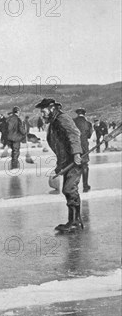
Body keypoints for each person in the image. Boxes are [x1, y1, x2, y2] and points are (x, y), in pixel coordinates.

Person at [37, 98, 84, 232]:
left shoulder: (62, 118)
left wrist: (76, 154)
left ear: (52, 108)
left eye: (43, 111)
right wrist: (60, 165)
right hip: (68, 160)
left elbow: (74, 133)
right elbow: (60, 147)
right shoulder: (54, 122)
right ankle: (75, 220)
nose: (42, 114)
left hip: (76, 159)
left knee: (69, 189)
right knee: (68, 189)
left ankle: (75, 222)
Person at [73, 108, 93, 193]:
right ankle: (85, 186)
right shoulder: (88, 123)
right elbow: (89, 135)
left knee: (74, 165)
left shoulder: (72, 122)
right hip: (84, 146)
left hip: (74, 145)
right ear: (84, 114)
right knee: (84, 165)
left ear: (77, 114)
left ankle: (73, 187)